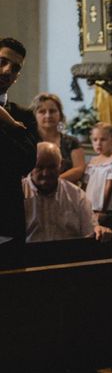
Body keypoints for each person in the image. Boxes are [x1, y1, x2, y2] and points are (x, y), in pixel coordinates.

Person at [23, 142, 112, 243]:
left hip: (69, 255)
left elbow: (90, 231)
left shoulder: (76, 195)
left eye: (51, 167)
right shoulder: (18, 192)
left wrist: (99, 230)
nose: (45, 173)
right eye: (39, 167)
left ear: (61, 166)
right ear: (30, 166)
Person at [0, 37, 37, 267]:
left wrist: (5, 122)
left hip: (5, 217)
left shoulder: (23, 116)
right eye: (2, 61)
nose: (7, 71)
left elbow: (26, 162)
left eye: (14, 68)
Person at [31, 92, 86, 184]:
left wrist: (53, 182)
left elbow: (79, 169)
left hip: (66, 191)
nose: (48, 115)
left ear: (60, 114)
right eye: (42, 111)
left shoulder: (72, 142)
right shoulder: (28, 140)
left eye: (52, 111)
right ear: (34, 115)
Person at [84, 122, 112, 233]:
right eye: (95, 140)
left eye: (103, 140)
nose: (98, 143)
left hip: (108, 209)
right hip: (93, 209)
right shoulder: (93, 161)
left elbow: (109, 186)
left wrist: (103, 210)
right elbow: (87, 186)